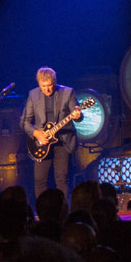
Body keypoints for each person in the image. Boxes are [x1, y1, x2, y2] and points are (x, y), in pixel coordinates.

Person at [21, 67, 83, 201]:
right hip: (41, 143)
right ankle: (44, 213)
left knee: (62, 180)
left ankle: (64, 212)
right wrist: (36, 133)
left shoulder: (67, 92)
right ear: (38, 84)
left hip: (62, 142)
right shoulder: (33, 95)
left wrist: (77, 115)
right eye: (43, 86)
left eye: (50, 86)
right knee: (39, 181)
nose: (47, 90)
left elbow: (77, 114)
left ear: (54, 82)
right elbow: (25, 122)